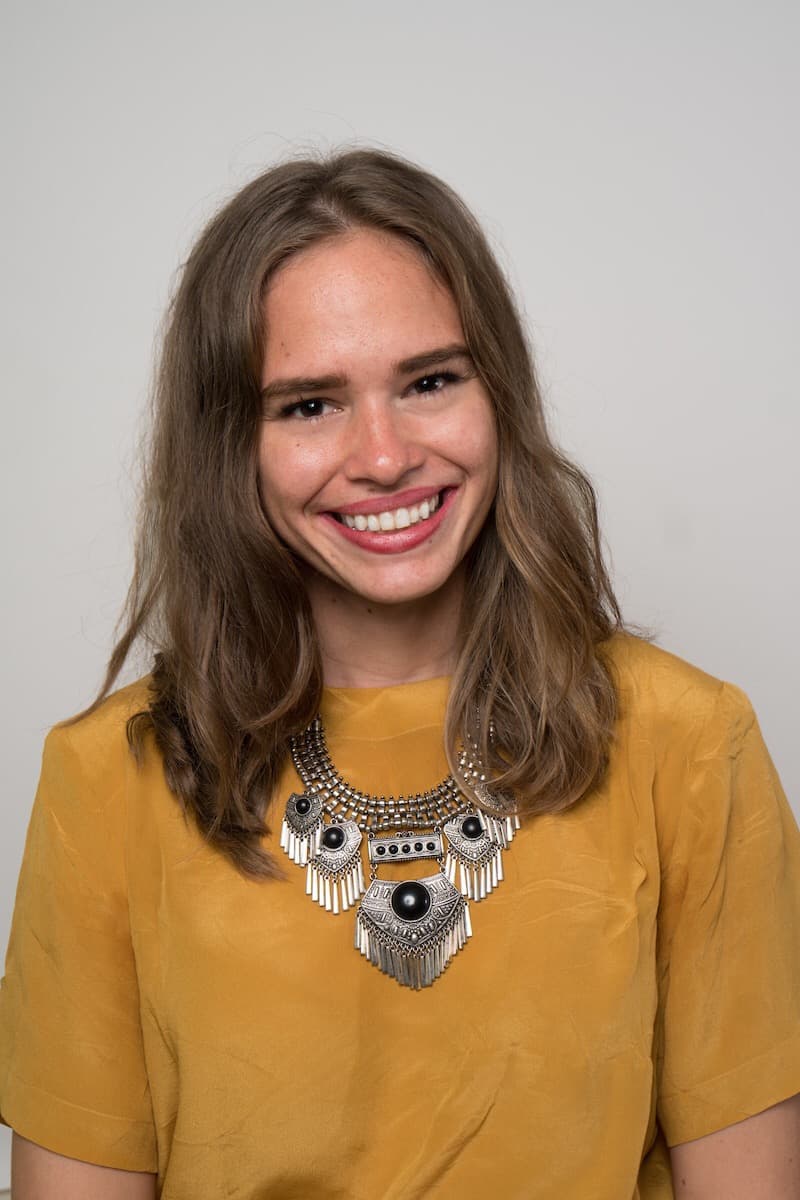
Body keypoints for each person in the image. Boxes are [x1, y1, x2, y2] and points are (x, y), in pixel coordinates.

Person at [1, 147, 799, 1200]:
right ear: (229, 446)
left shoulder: (687, 742)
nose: (382, 456)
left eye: (428, 381)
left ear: (497, 394)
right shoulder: (107, 781)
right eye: (308, 405)